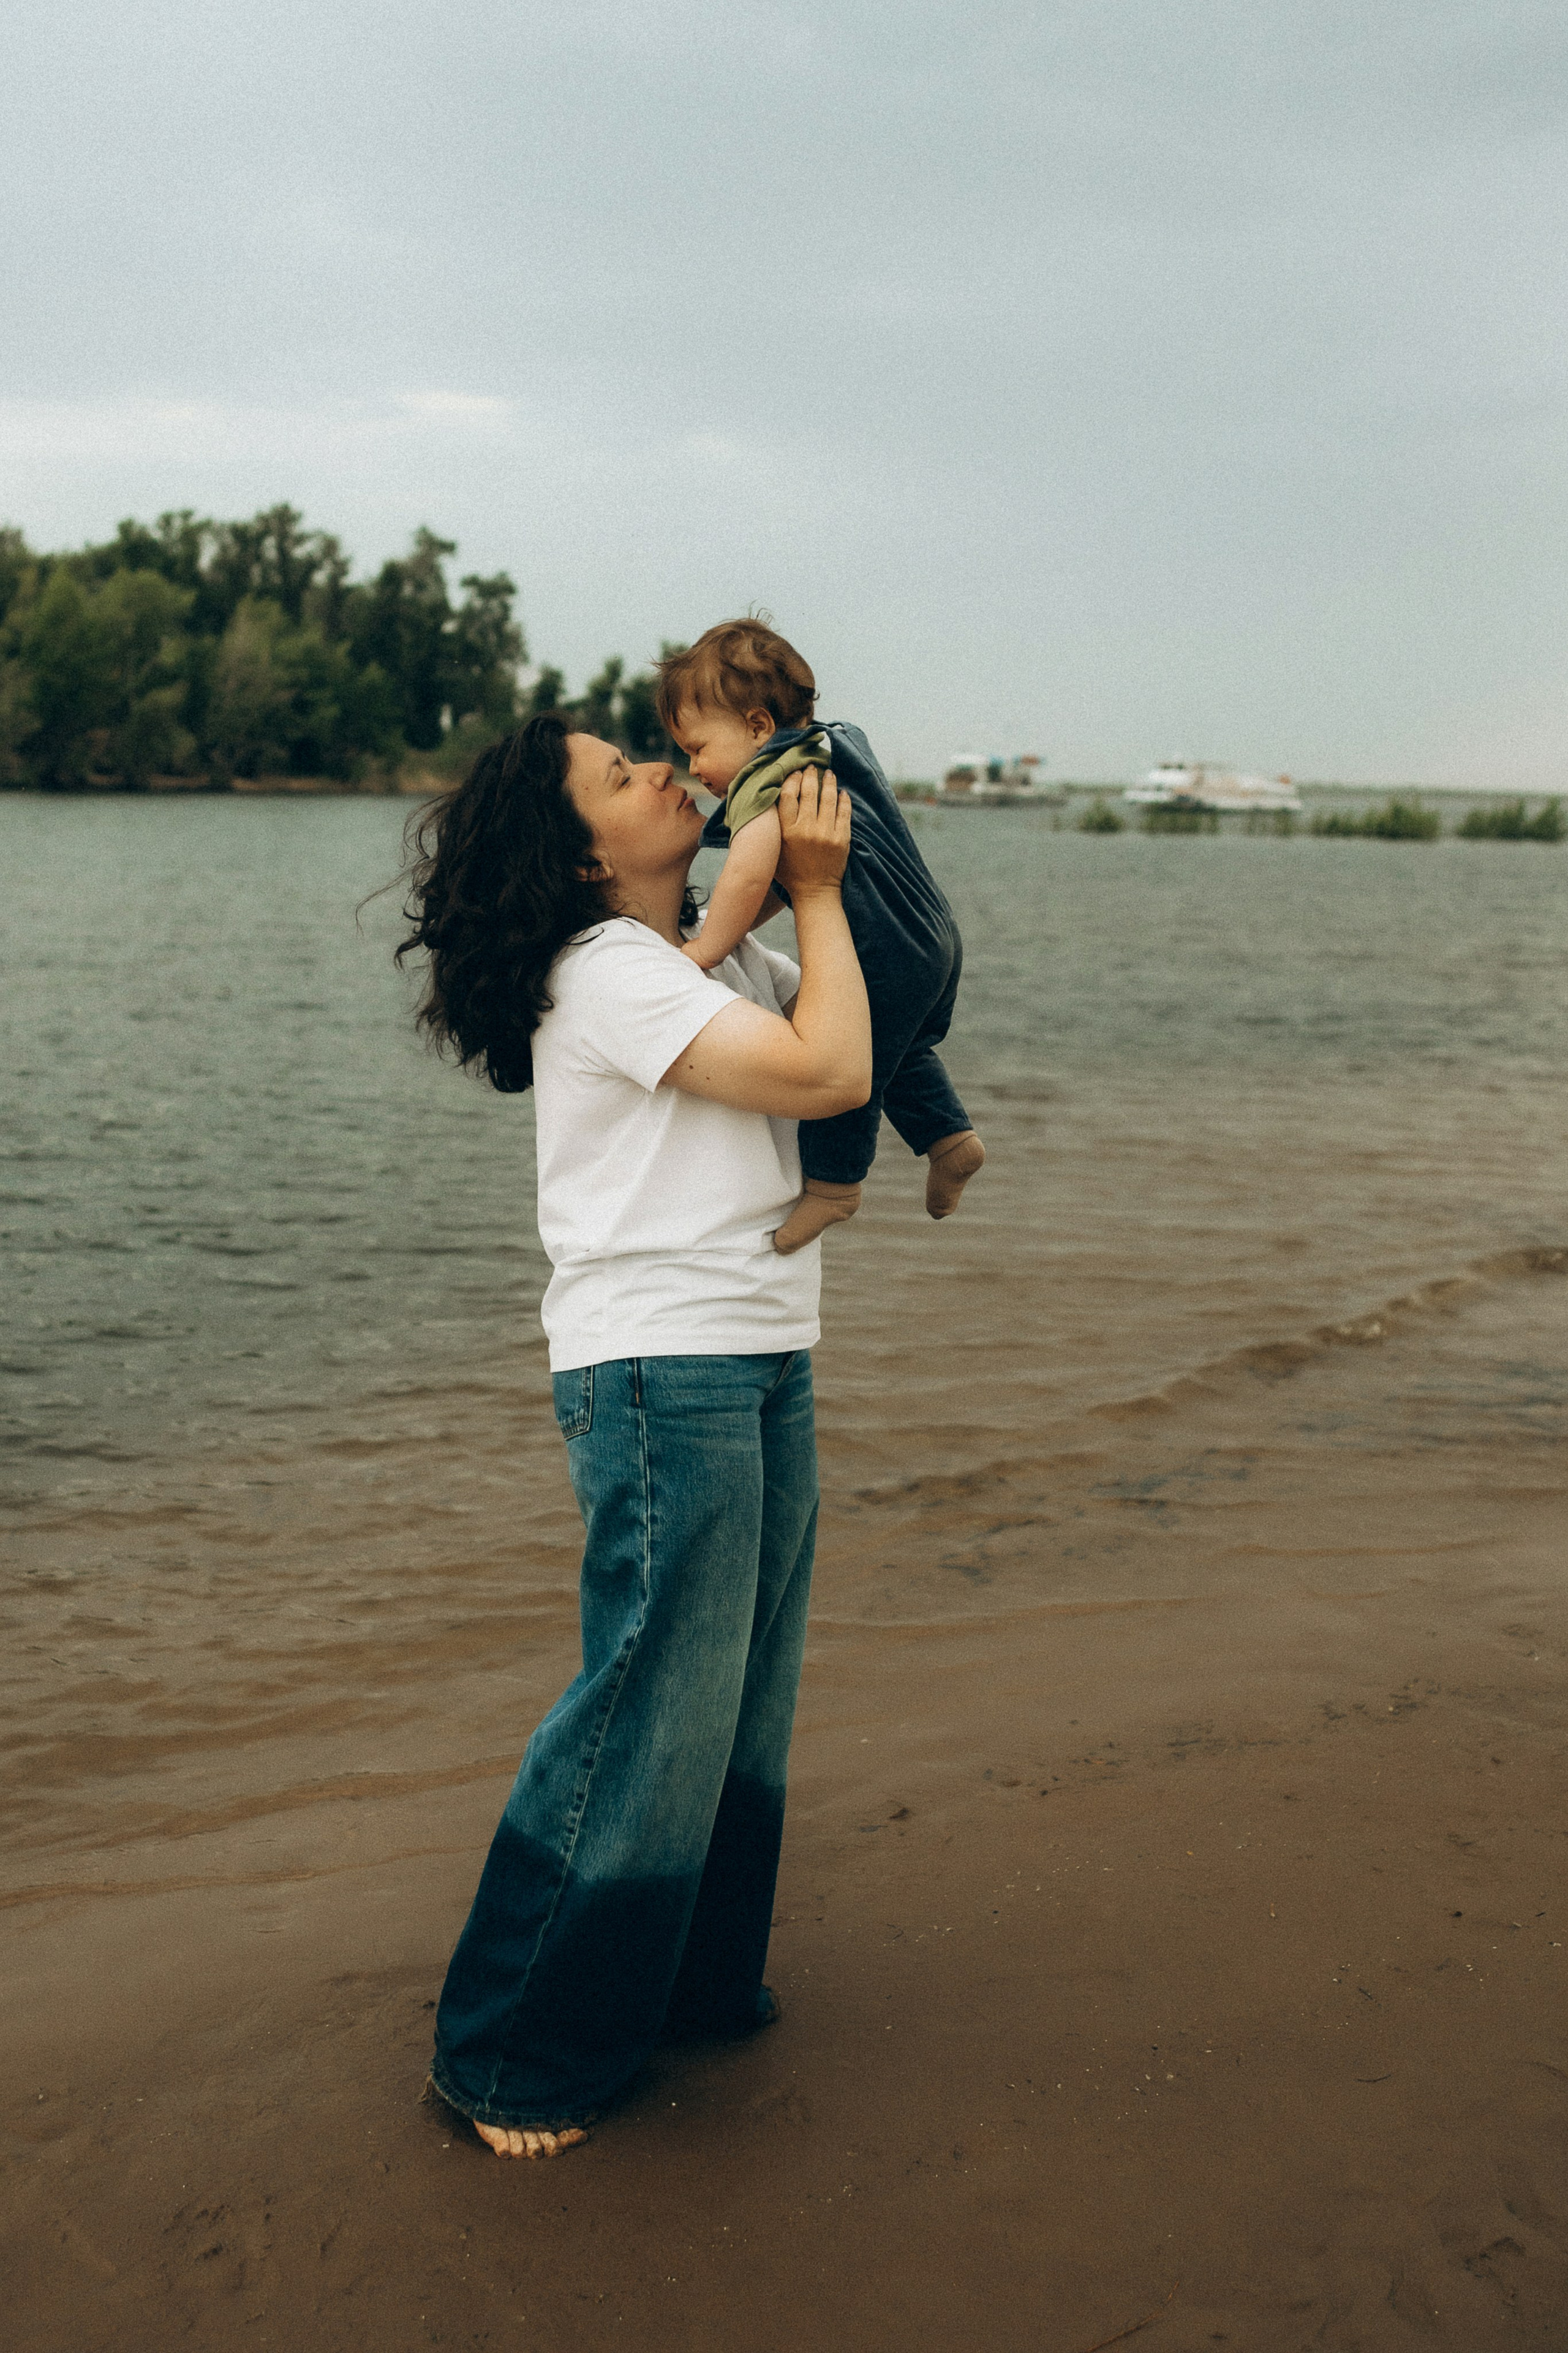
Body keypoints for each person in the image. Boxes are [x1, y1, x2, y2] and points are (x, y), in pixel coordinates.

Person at [394, 713, 870, 2158]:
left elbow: (875, 1020)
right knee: (646, 1693)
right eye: (623, 774)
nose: (667, 770)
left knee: (734, 1696)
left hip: (755, 1345)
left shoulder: (699, 960)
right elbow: (823, 1076)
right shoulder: (606, 970)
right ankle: (507, 2048)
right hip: (663, 1368)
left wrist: (830, 850)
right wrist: (822, 894)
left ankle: (682, 1975)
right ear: (588, 851)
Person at [658, 619, 985, 1255]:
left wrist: (704, 950)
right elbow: (783, 884)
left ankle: (835, 1188)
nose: (693, 768)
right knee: (901, 1052)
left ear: (757, 726)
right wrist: (723, 926)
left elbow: (750, 871)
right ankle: (952, 1141)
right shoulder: (839, 748)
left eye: (697, 747)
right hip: (932, 934)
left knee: (848, 1062)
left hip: (880, 951)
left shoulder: (767, 775)